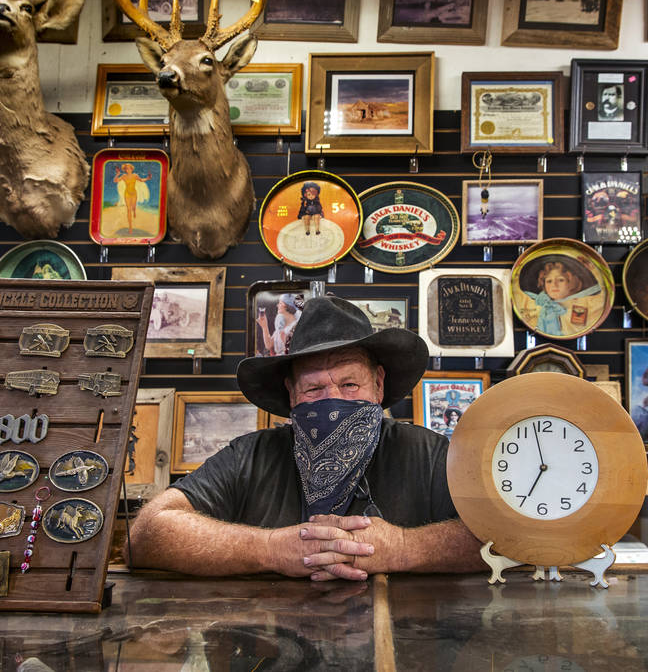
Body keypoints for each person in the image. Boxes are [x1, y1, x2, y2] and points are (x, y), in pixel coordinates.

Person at [126, 296, 485, 581]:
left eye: (349, 384)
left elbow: (508, 538)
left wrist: (406, 547)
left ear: (377, 384)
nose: (333, 401)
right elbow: (146, 534)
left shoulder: (428, 454)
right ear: (292, 394)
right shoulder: (251, 456)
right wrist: (269, 549)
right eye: (314, 388)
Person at [519, 257, 605, 338]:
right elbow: (514, 288)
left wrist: (595, 271)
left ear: (571, 282)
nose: (554, 285)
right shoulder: (536, 303)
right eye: (549, 281)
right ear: (543, 285)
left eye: (560, 280)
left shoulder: (585, 302)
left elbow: (604, 297)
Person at [113, 162, 151, 234]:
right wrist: (118, 174)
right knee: (128, 210)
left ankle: (135, 210)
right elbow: (115, 181)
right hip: (127, 194)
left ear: (131, 169)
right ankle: (130, 227)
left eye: (129, 168)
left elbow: (141, 180)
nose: (128, 170)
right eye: (126, 169)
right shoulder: (124, 176)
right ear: (125, 170)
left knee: (133, 207)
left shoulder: (135, 175)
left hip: (134, 194)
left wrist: (147, 178)